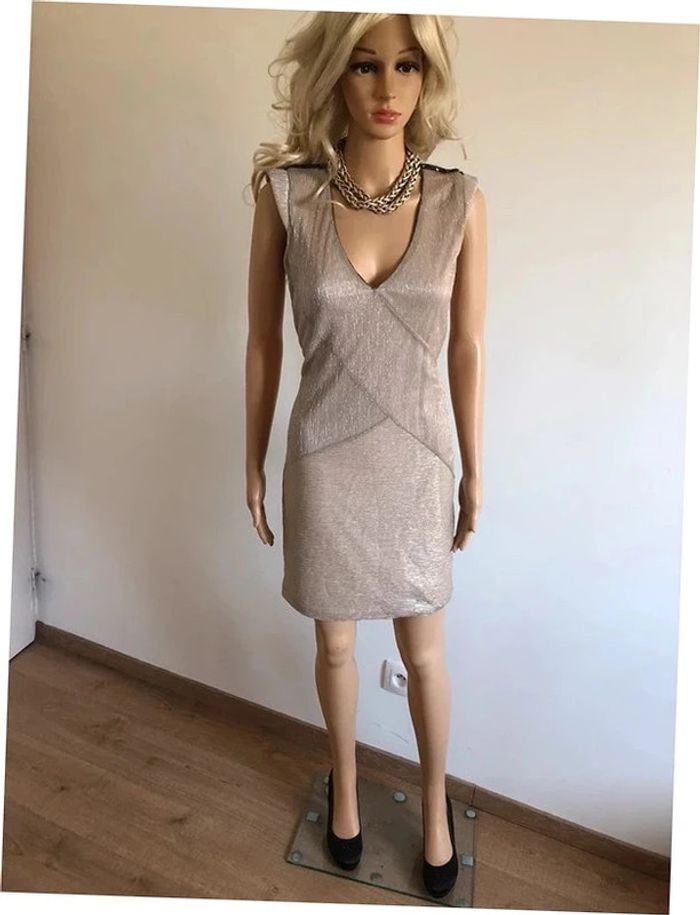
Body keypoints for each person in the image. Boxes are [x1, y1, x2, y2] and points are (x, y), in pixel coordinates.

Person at [245, 11, 487, 899]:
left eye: (408, 66)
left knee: (425, 654)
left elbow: (466, 347)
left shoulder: (461, 202)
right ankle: (344, 791)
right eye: (365, 66)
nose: (389, 90)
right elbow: (261, 343)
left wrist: (475, 467)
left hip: (419, 460)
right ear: (332, 77)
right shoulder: (289, 198)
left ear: (428, 77)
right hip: (325, 457)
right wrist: (250, 459)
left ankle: (434, 810)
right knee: (337, 645)